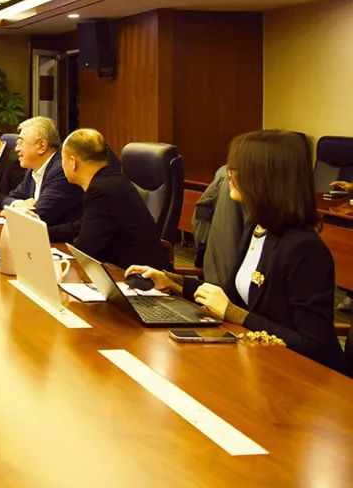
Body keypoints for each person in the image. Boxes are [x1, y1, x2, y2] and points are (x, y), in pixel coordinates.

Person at [128, 130, 344, 373]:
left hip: (306, 378)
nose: (229, 174)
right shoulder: (256, 227)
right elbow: (229, 296)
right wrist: (173, 282)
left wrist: (236, 315)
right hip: (260, 362)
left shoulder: (304, 249)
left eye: (238, 168)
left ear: (266, 177)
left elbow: (314, 346)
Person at [48, 129, 170, 270]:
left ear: (73, 162)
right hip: (125, 271)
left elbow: (86, 249)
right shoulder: (111, 181)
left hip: (140, 278)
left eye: (62, 160)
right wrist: (46, 232)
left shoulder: (102, 191)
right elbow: (81, 226)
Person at [0, 116, 83, 227]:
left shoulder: (61, 171)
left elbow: (36, 216)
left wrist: (15, 211)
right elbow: (11, 196)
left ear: (41, 146)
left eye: (20, 143)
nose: (16, 149)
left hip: (59, 237)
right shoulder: (33, 170)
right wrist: (18, 204)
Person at [192, 164, 250, 285]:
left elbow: (201, 222)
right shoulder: (230, 180)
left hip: (221, 281)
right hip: (227, 280)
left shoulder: (228, 176)